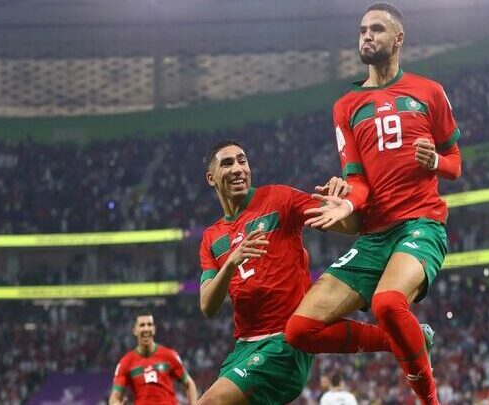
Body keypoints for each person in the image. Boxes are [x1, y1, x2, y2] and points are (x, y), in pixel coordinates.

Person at [284, 3, 462, 404]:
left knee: (386, 301)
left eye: (377, 29)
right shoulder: (346, 106)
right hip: (373, 236)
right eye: (363, 30)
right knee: (299, 330)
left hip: (420, 225)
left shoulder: (429, 92)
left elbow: (455, 163)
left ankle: (429, 400)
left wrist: (436, 160)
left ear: (398, 38)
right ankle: (406, 339)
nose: (367, 36)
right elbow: (357, 181)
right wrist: (347, 206)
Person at [197, 140, 360, 405]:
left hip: (284, 342)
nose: (238, 168)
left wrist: (345, 202)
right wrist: (230, 265)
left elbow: (349, 224)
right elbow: (207, 306)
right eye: (227, 163)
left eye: (242, 160)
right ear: (211, 178)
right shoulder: (211, 238)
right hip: (243, 349)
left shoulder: (278, 199)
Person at [109, 312, 198, 405]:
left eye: (149, 325)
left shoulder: (169, 355)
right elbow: (114, 397)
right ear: (135, 330)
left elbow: (189, 383)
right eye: (142, 325)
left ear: (154, 329)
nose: (146, 329)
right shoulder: (126, 362)